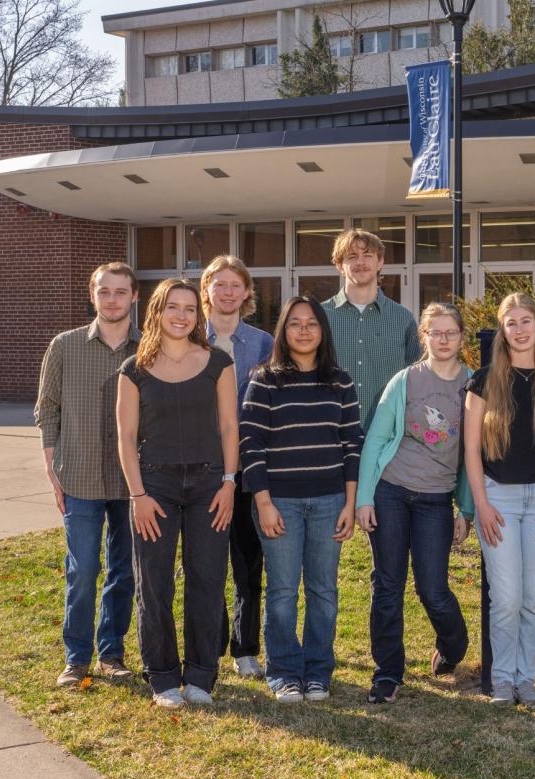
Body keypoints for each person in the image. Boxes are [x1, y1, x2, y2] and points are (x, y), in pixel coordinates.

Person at [116, 279, 239, 708]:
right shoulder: (133, 369)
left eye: (189, 308)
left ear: (198, 315)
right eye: (173, 307)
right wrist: (138, 495)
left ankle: (202, 676)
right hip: (155, 488)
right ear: (157, 312)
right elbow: (126, 438)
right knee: (154, 584)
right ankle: (163, 676)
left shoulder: (218, 363)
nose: (182, 315)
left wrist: (229, 483)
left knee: (207, 579)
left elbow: (228, 428)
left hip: (210, 486)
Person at [240, 296, 363, 704]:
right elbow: (251, 445)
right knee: (282, 591)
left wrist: (349, 504)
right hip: (281, 504)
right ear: (283, 331)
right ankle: (284, 672)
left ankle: (317, 672)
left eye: (312, 323)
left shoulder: (340, 381)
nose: (304, 330)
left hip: (330, 502)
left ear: (323, 330)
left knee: (324, 591)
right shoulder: (265, 380)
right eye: (295, 323)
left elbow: (351, 446)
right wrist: (263, 502)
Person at [356, 302, 476, 704]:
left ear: (461, 337)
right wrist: (364, 497)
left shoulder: (474, 385)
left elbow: (475, 453)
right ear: (423, 337)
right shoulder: (405, 380)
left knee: (433, 589)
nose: (443, 339)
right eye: (435, 332)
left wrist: (468, 509)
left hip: (437, 500)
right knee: (387, 584)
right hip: (392, 491)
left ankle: (454, 646)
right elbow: (375, 439)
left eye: (450, 332)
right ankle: (388, 673)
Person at [35, 261, 140, 688]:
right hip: (78, 477)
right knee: (82, 570)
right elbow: (48, 409)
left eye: (120, 292)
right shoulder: (65, 345)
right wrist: (50, 467)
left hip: (133, 481)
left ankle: (112, 652)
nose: (112, 299)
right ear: (92, 295)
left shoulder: (149, 348)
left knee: (125, 570)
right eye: (104, 291)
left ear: (135, 296)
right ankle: (76, 657)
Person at [464, 292, 535, 710]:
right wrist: (481, 506)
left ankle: (527, 680)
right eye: (512, 323)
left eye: (527, 321)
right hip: (498, 499)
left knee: (532, 598)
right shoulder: (483, 380)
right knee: (505, 598)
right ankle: (502, 681)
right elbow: (471, 449)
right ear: (503, 332)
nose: (520, 329)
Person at [200, 255, 274, 681]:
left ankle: (246, 649)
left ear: (247, 293)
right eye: (219, 284)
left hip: (249, 469)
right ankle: (212, 638)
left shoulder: (263, 344)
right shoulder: (190, 338)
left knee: (249, 563)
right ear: (206, 289)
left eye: (236, 285)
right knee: (207, 562)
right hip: (202, 468)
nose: (227, 292)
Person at [322, 229, 421, 431]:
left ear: (380, 262)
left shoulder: (403, 319)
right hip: (330, 433)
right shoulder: (320, 317)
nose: (361, 262)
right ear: (339, 266)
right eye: (352, 257)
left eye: (368, 255)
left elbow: (416, 381)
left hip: (387, 435)